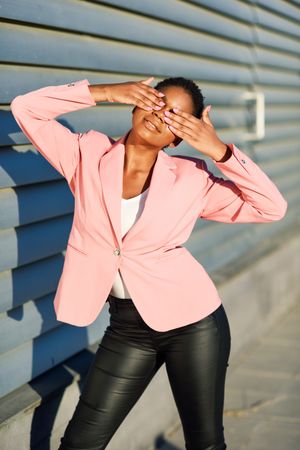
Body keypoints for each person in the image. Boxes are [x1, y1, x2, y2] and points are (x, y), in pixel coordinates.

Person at [10, 76, 287, 450]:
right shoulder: (86, 154)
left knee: (204, 443)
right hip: (127, 329)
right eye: (157, 102)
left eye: (175, 116)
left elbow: (271, 207)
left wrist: (220, 151)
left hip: (194, 325)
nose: (160, 116)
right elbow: (25, 109)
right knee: (80, 442)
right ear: (137, 103)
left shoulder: (192, 178)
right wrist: (106, 92)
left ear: (178, 137)